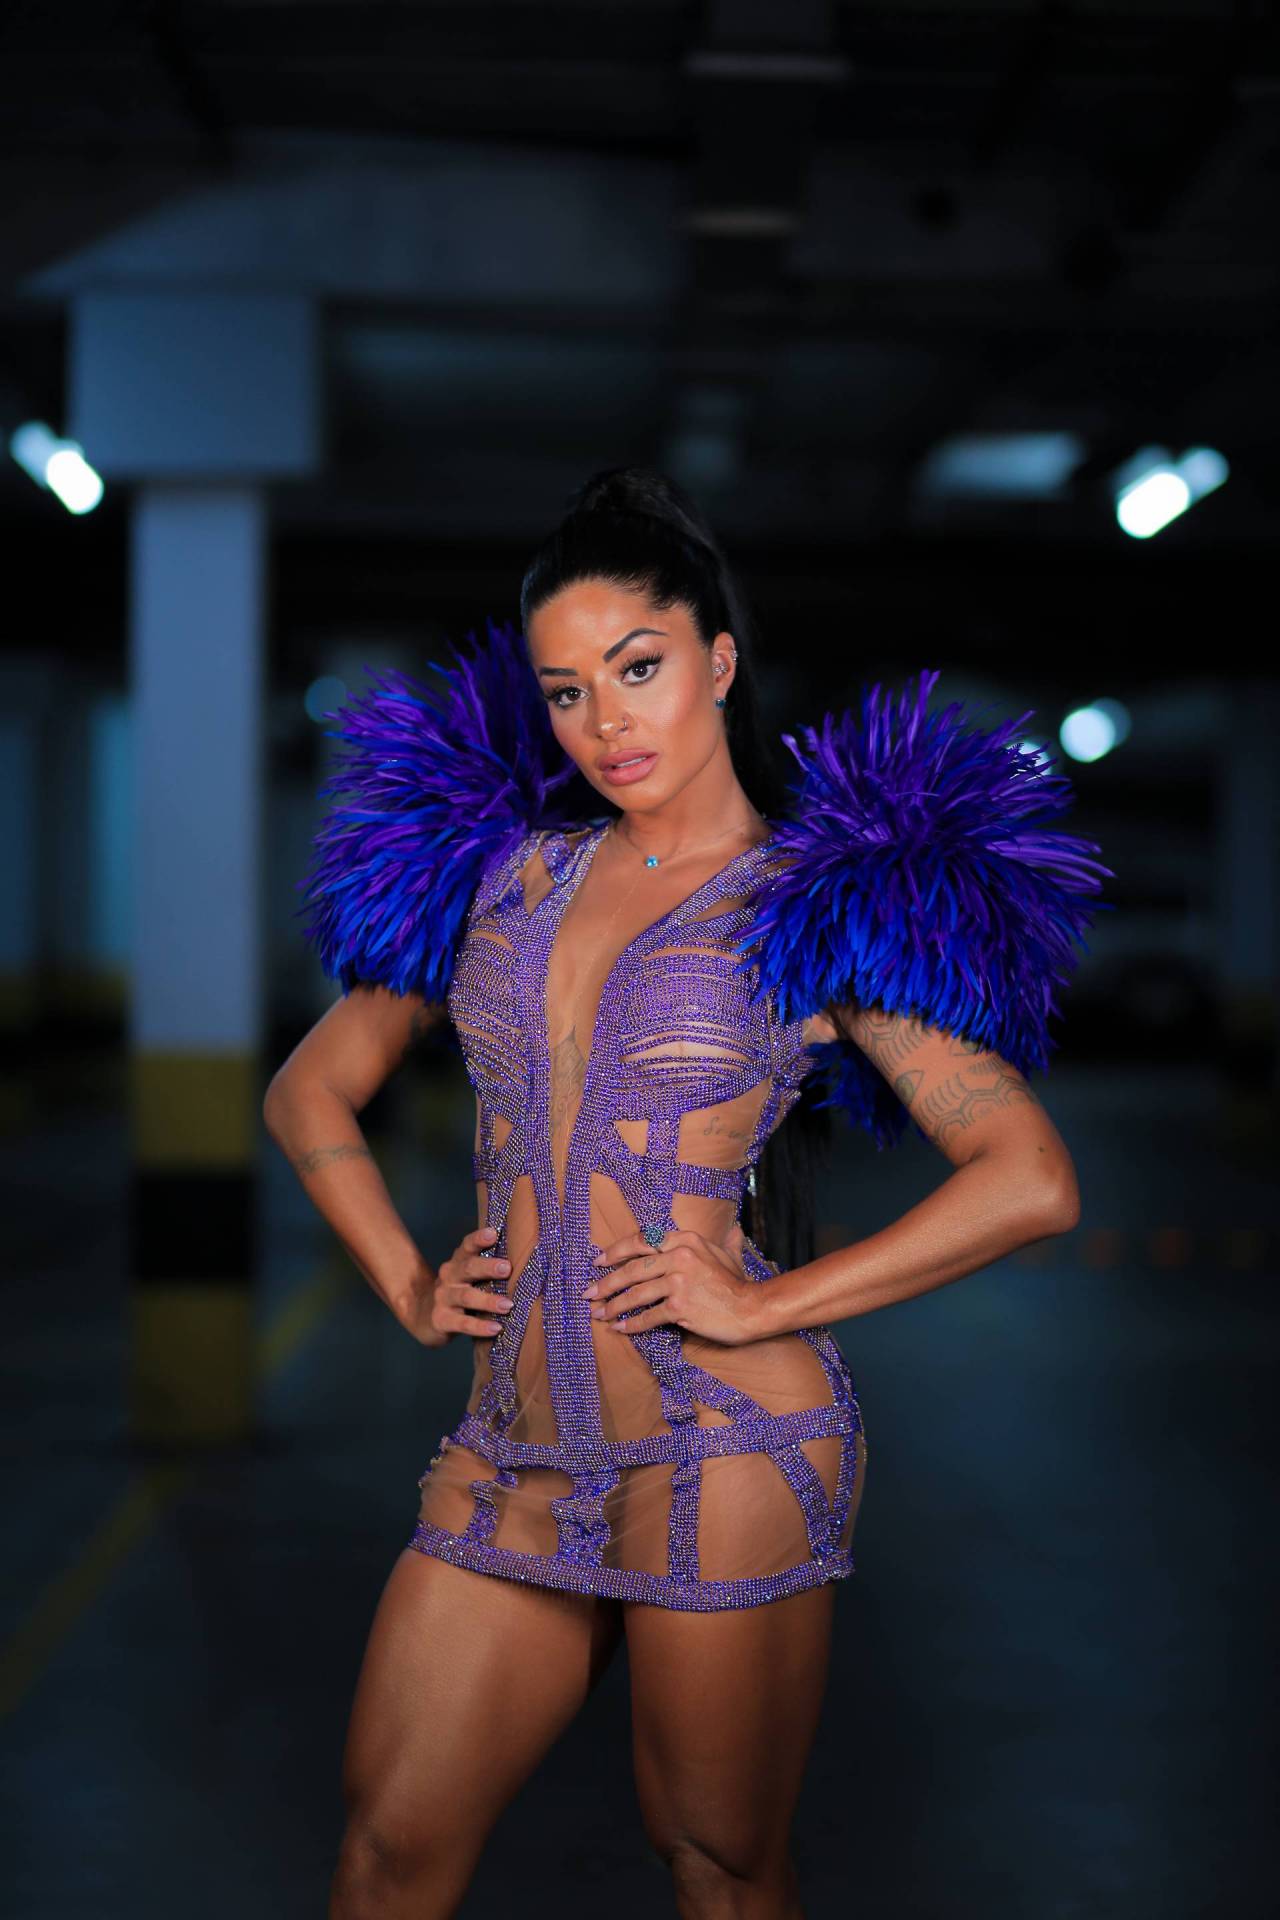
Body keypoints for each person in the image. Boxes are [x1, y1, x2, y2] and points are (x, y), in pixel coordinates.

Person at [265, 465, 1111, 1918]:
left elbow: (1030, 1177)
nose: (606, 722)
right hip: (511, 1452)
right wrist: (406, 1278)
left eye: (639, 668)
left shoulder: (810, 903)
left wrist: (771, 1301)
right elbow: (307, 1090)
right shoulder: (499, 878)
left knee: (719, 1865)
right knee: (388, 1852)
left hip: (726, 1451)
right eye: (568, 691)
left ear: (717, 662)